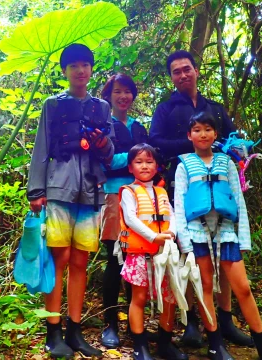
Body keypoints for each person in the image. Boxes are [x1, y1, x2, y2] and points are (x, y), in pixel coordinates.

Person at [149, 50, 252, 348]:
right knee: (191, 253)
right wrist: (195, 143)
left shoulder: (215, 109)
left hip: (219, 187)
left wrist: (235, 158)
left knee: (224, 252)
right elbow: (156, 143)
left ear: (196, 71)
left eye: (186, 69)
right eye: (176, 71)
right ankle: (192, 321)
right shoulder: (165, 109)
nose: (182, 75)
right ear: (171, 77)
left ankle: (225, 319)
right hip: (183, 184)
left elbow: (232, 141)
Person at [175, 112, 262, 360]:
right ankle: (216, 345)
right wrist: (186, 246)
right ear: (189, 135)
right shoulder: (183, 165)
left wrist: (244, 240)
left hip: (226, 233)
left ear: (216, 134)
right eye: (196, 129)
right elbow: (179, 207)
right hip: (197, 235)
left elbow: (238, 201)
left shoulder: (226, 163)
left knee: (243, 289)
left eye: (207, 129)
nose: (202, 134)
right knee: (205, 288)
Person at [27, 43, 114, 359]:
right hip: (59, 190)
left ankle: (75, 331)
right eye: (73, 65)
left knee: (80, 262)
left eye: (85, 65)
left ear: (91, 69)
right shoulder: (53, 105)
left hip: (90, 192)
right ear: (65, 71)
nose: (80, 70)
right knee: (58, 260)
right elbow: (42, 146)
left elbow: (109, 152)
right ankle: (53, 333)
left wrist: (102, 142)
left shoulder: (101, 108)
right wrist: (36, 191)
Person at [119, 143, 188, 360]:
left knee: (169, 298)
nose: (145, 166)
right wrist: (153, 237)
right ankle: (140, 346)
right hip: (140, 254)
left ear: (156, 166)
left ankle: (165, 343)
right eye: (139, 162)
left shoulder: (161, 191)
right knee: (138, 298)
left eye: (149, 162)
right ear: (130, 167)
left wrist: (171, 234)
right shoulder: (128, 192)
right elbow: (130, 218)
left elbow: (172, 215)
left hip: (164, 254)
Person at [99, 73, 148, 348]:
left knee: (137, 258)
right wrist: (133, 157)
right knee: (115, 259)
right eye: (117, 91)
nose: (123, 96)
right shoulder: (105, 125)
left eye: (127, 91)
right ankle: (110, 325)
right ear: (109, 96)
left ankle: (134, 323)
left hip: (141, 197)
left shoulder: (139, 126)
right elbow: (105, 162)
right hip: (115, 196)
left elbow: (150, 158)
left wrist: (130, 158)